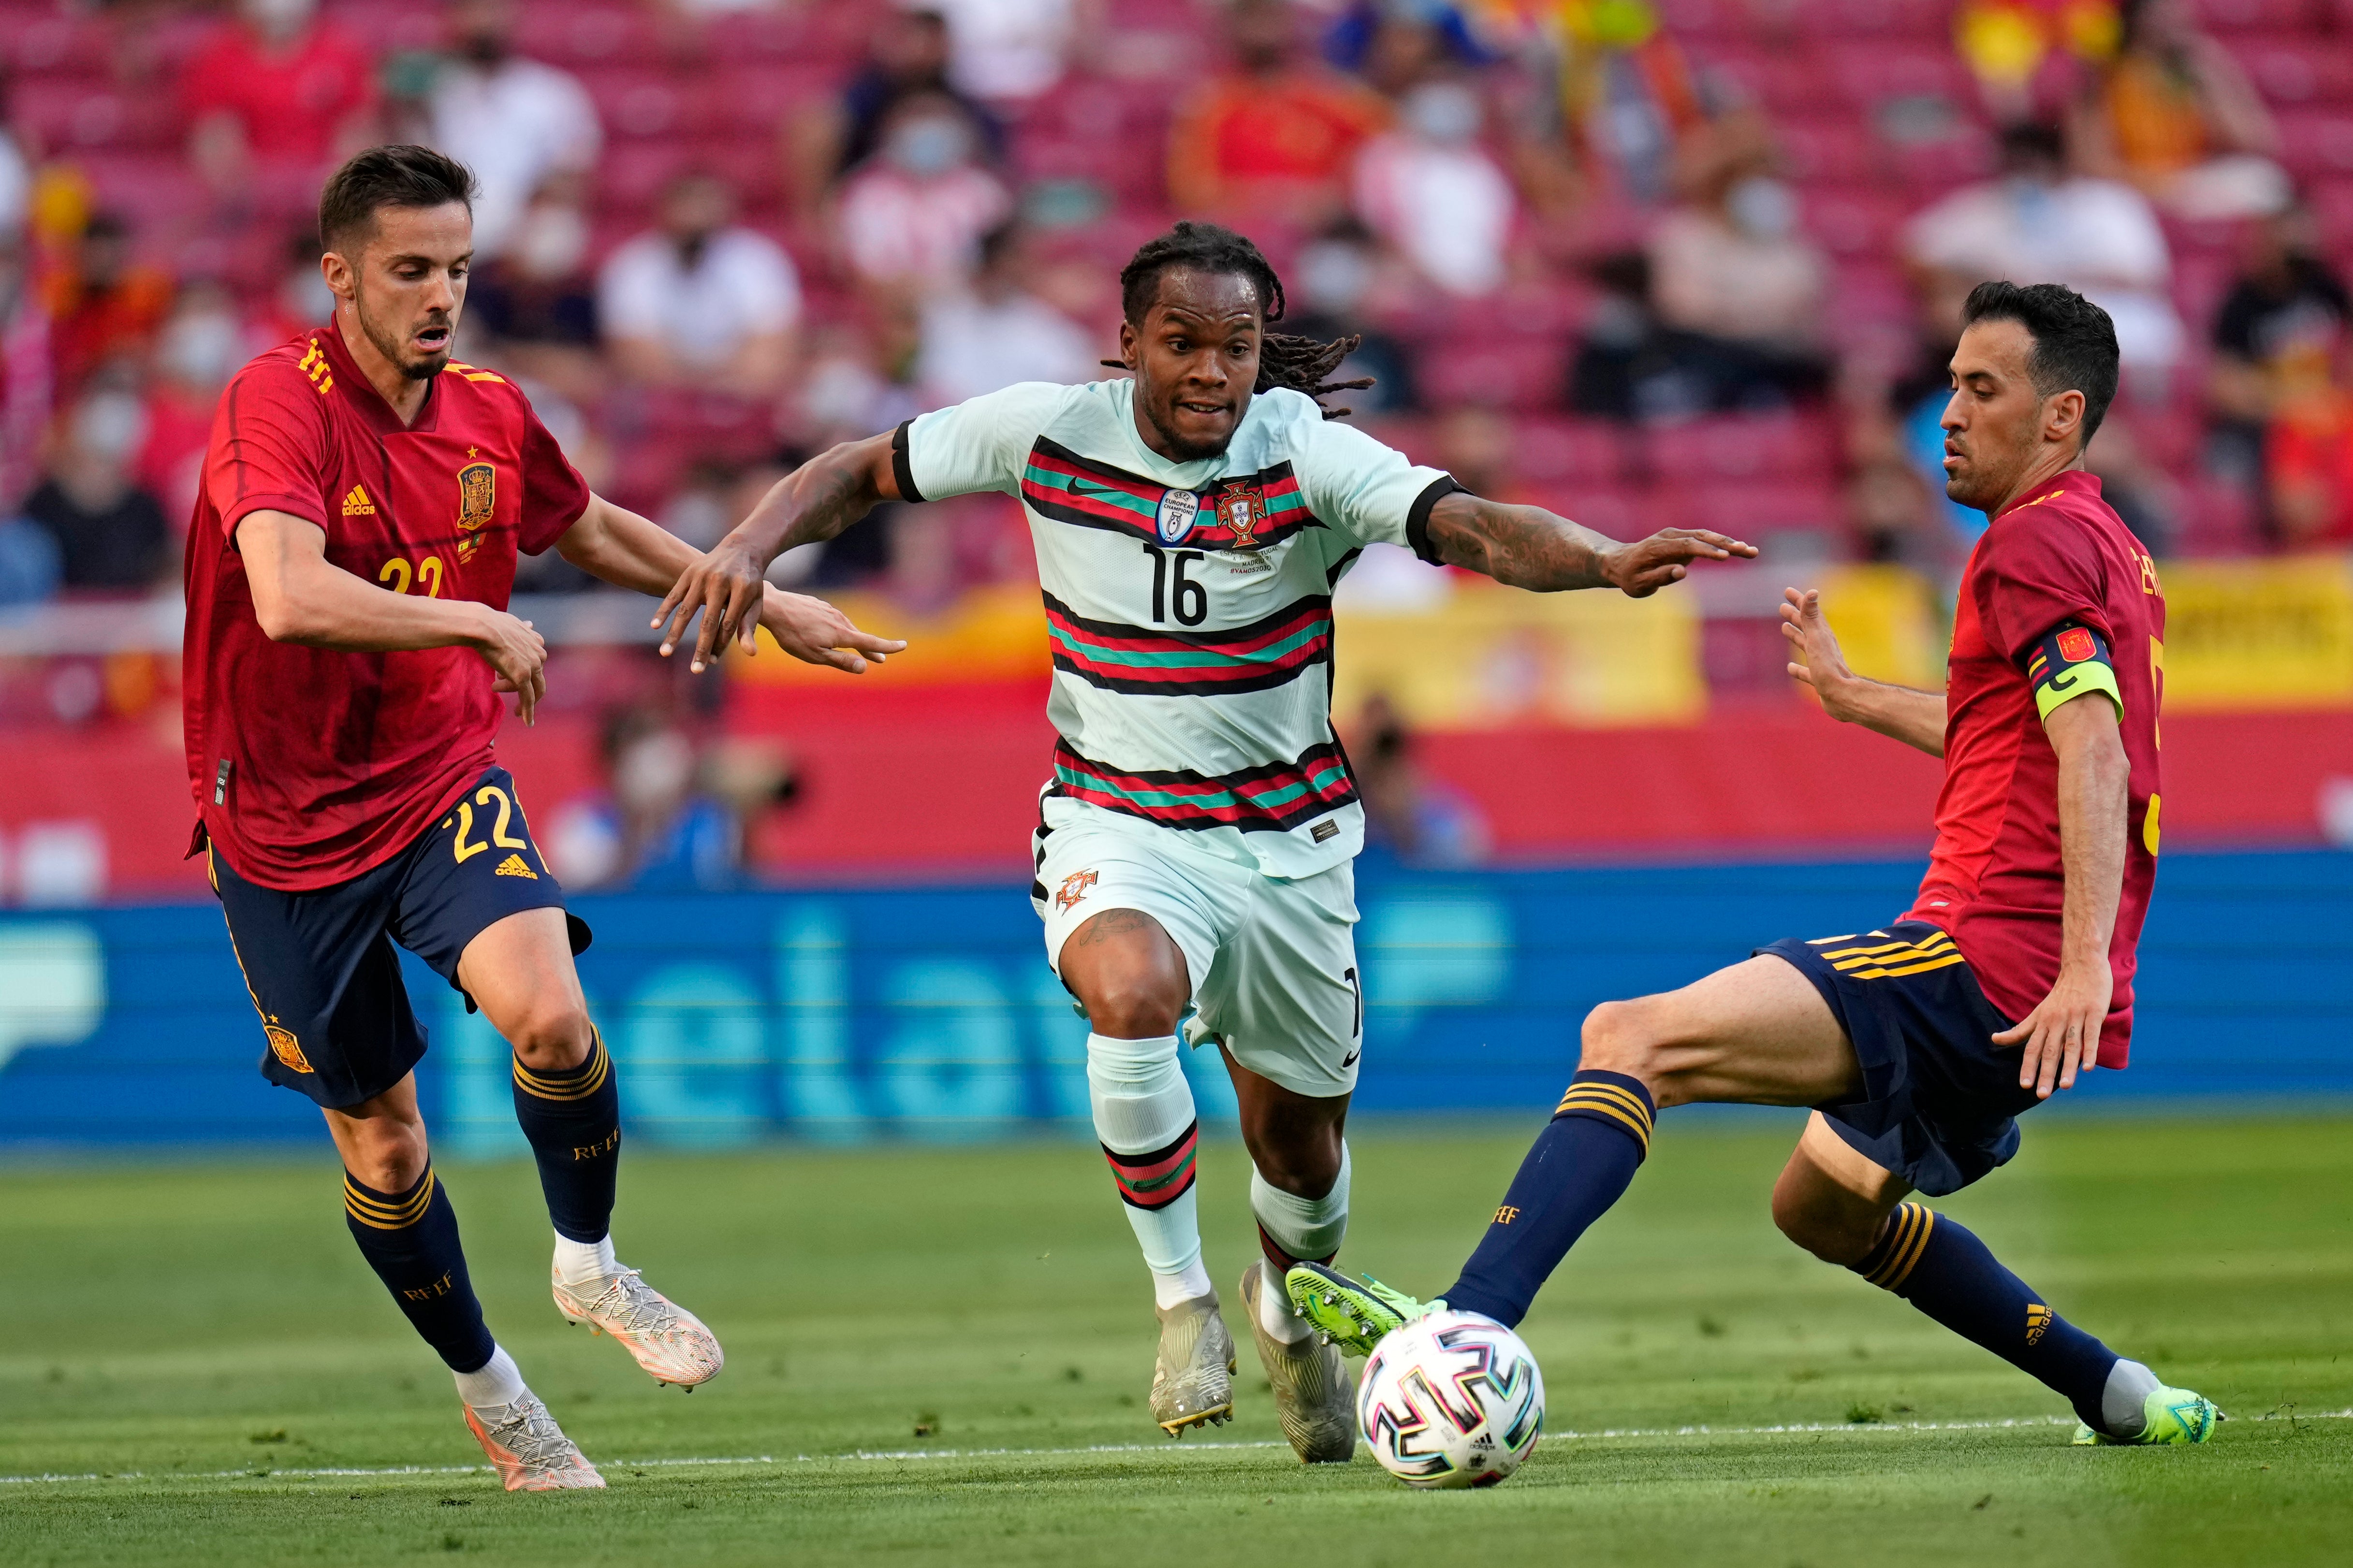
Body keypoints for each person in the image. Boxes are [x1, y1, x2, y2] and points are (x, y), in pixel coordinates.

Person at [651, 219, 1752, 1461]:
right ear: (1128, 343)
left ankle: (1286, 1316)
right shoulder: (1046, 430)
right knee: (1129, 992)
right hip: (1117, 817)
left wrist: (1601, 560)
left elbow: (1470, 528)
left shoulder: (1306, 454)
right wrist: (744, 545)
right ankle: (1182, 1305)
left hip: (1291, 847)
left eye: (1234, 346)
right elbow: (861, 467)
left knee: (1305, 1153)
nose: (1211, 371)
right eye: (1182, 343)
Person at [1286, 282, 2224, 1452]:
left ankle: (1461, 1328)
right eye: (1949, 383)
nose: (1948, 411)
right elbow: (2028, 729)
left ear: (2058, 415)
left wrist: (2078, 963)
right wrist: (1852, 697)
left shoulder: (2030, 540)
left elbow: (2091, 744)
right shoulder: (2105, 545)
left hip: (1991, 954)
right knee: (1822, 1206)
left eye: (1983, 389)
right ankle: (2116, 1390)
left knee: (1630, 1038)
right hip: (2029, 967)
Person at [183, 146, 899, 1489]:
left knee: (555, 1021)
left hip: (438, 773)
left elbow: (586, 526)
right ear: (339, 276)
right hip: (277, 822)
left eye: (456, 265)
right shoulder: (272, 406)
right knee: (387, 1144)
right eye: (410, 270)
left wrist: (762, 594)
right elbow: (285, 593)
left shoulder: (491, 411)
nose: (440, 293)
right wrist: (469, 614)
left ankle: (592, 1268)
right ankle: (500, 1400)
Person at [1905, 122, 2181, 395]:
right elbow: (1917, 251)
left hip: (2118, 327)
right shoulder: (1990, 208)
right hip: (2028, 334)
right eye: (2017, 166)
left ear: (2058, 164)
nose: (2026, 177)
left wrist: (2057, 278)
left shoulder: (2109, 204)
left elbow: (2146, 279)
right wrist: (1987, 281)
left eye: (2034, 165)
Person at [1167, 0, 1389, 223]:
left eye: (1270, 16)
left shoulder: (1322, 92)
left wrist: (1337, 193)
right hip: (1244, 238)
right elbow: (1193, 191)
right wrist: (1275, 200)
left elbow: (1388, 140)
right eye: (1252, 17)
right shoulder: (1210, 104)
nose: (1263, 30)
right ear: (1230, 29)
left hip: (1332, 232)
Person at [2070, 0, 2288, 222]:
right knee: (2100, 202)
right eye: (2161, 14)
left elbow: (2256, 141)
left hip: (2189, 181)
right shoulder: (2104, 75)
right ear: (2136, 19)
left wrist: (2209, 73)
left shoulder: (2191, 71)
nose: (2172, 22)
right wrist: (2156, 185)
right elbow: (2090, 163)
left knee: (2266, 182)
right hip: (2130, 188)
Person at [423, 0, 603, 262]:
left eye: (492, 10)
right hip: (446, 209)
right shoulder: (430, 91)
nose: (483, 22)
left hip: (526, 211)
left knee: (553, 238)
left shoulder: (552, 91)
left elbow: (573, 172)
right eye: (472, 11)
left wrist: (523, 215)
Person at [598, 172, 803, 397]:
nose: (694, 217)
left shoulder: (760, 260)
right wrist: (693, 390)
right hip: (663, 396)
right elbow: (636, 356)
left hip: (739, 392)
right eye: (686, 206)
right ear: (664, 211)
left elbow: (770, 351)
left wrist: (720, 390)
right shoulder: (633, 265)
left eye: (704, 205)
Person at [183, 0, 379, 211]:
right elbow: (216, 140)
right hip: (252, 191)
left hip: (323, 185)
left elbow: (356, 133)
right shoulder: (218, 58)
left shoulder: (342, 51)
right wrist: (251, 192)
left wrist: (336, 190)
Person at [916, 222, 1096, 407]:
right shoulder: (944, 318)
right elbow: (936, 387)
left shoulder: (1047, 329)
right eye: (998, 266)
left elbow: (1070, 386)